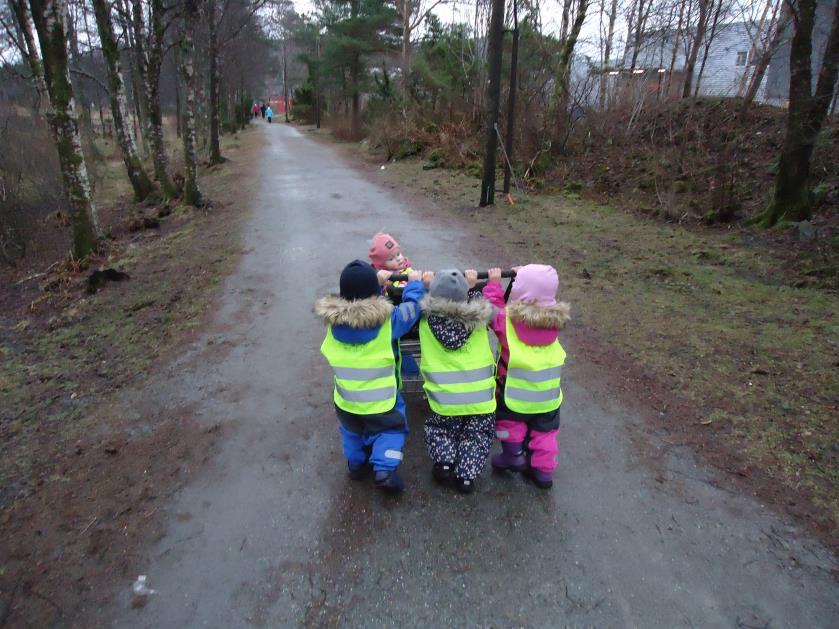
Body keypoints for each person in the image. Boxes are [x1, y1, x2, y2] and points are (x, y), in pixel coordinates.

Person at [315, 260, 430, 493]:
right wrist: (415, 285)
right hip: (382, 402)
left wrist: (375, 283)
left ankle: (356, 465)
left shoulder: (333, 323)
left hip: (346, 401)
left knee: (352, 432)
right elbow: (411, 309)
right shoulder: (389, 321)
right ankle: (385, 469)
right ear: (376, 294)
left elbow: (356, 299)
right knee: (391, 430)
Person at [483, 265, 570, 489]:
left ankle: (514, 456)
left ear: (520, 293)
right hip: (548, 398)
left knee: (510, 423)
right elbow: (540, 294)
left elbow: (490, 309)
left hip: (514, 395)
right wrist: (529, 279)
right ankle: (543, 472)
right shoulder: (556, 322)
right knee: (545, 434)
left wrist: (493, 284)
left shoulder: (507, 322)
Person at [419, 269, 496, 493]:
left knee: (441, 427)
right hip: (480, 396)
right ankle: (466, 476)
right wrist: (472, 289)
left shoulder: (424, 319)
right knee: (477, 434)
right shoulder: (482, 316)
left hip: (444, 395)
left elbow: (413, 304)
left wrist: (423, 286)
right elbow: (493, 308)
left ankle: (444, 462)